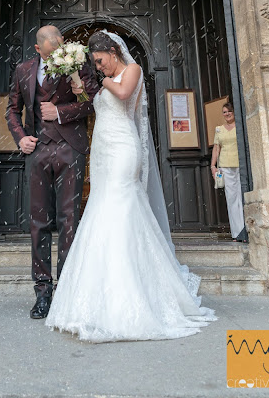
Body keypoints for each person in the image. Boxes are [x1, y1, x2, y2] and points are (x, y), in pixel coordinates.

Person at [45, 30, 217, 342]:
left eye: (101, 61)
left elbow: (123, 94)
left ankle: (133, 297)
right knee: (101, 210)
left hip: (124, 149)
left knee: (122, 209)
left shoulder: (131, 70)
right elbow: (95, 100)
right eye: (95, 63)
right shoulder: (103, 79)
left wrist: (97, 81)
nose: (100, 67)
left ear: (113, 50)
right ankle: (97, 298)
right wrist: (81, 88)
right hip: (103, 153)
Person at [6, 25, 99, 319]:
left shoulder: (79, 63)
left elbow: (91, 103)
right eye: (52, 42)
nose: (58, 44)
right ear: (38, 49)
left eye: (60, 39)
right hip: (37, 152)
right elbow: (12, 110)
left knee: (69, 218)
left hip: (70, 148)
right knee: (38, 222)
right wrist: (20, 136)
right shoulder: (23, 70)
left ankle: (67, 290)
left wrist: (60, 112)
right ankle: (43, 292)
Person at [211, 102, 248, 243]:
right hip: (225, 166)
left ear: (234, 112)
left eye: (229, 111)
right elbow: (216, 148)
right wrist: (213, 166)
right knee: (231, 198)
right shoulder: (219, 129)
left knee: (242, 197)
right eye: (224, 112)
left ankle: (246, 230)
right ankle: (237, 232)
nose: (227, 114)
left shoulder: (240, 125)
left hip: (240, 164)